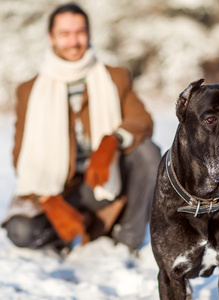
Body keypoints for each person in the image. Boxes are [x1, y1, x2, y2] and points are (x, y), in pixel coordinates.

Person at [1, 3, 161, 254]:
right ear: (51, 37)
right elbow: (21, 156)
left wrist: (112, 141)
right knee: (20, 230)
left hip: (106, 182)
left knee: (147, 151)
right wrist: (47, 199)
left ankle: (127, 238)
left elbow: (141, 120)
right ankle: (74, 231)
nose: (74, 41)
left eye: (80, 32)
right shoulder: (29, 89)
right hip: (62, 191)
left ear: (89, 34)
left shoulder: (114, 76)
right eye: (65, 33)